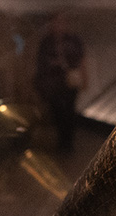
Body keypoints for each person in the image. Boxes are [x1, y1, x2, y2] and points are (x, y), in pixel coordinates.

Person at [34, 13, 87, 154]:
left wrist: (84, 78)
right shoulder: (47, 42)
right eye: (56, 23)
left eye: (61, 23)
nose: (58, 26)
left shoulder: (73, 40)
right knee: (57, 111)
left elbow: (81, 59)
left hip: (70, 82)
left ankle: (68, 142)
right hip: (54, 84)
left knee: (69, 111)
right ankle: (62, 141)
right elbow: (41, 64)